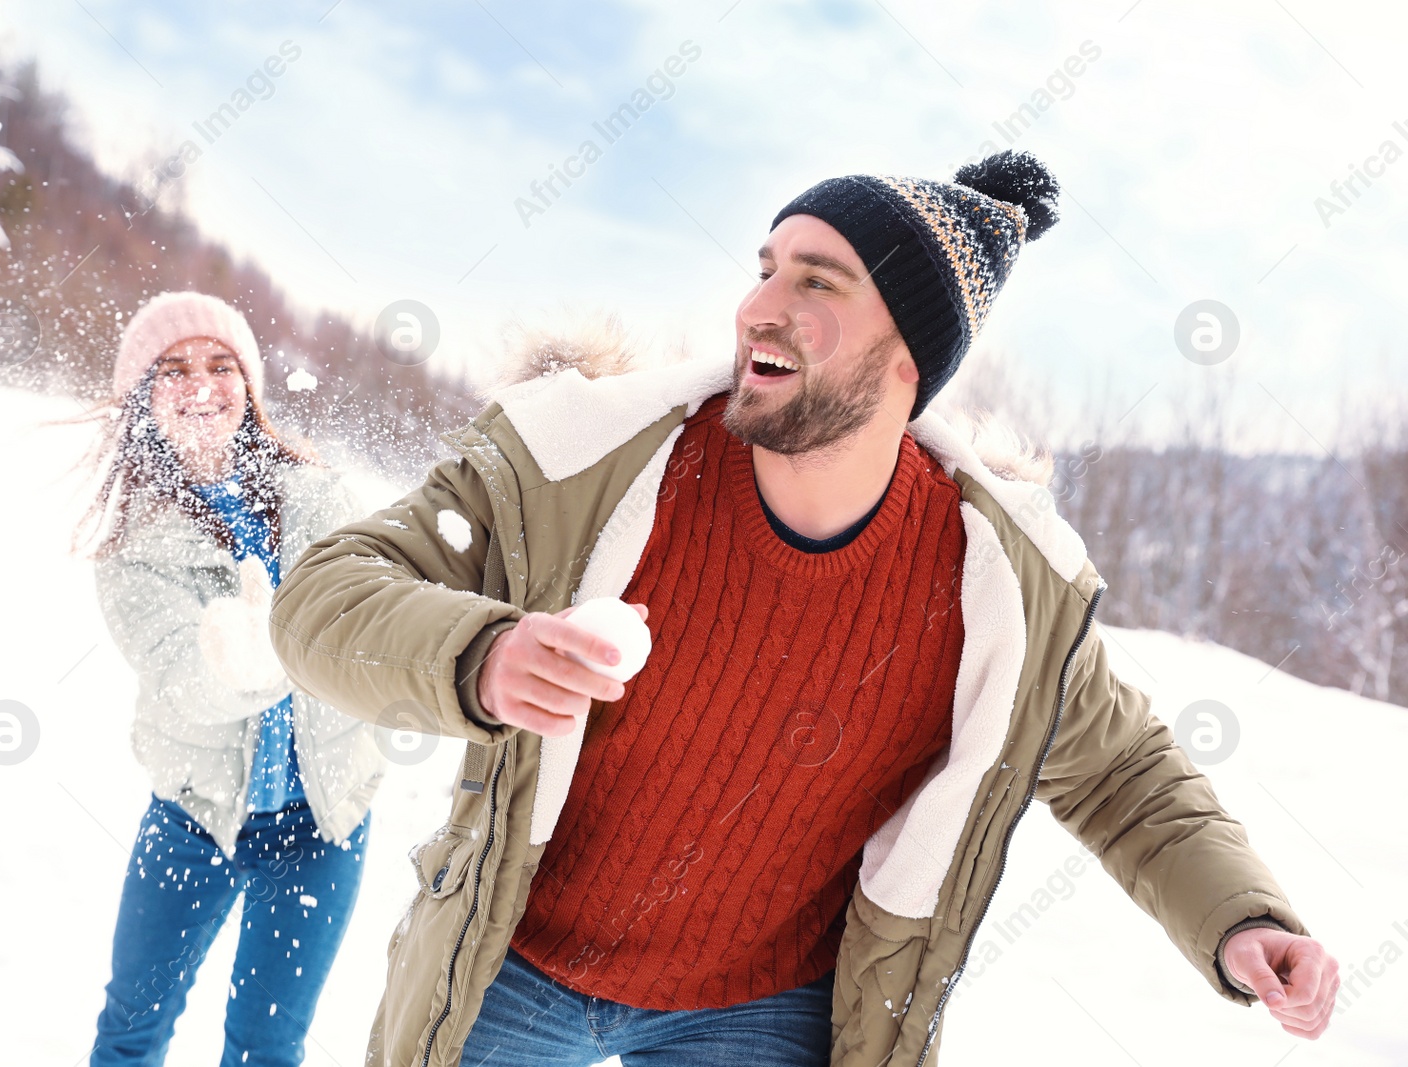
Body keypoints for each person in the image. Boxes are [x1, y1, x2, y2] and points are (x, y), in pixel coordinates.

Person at [267, 152, 1340, 1067]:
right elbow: (323, 597)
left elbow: (1121, 770)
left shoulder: (998, 592)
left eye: (817, 281)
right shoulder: (574, 470)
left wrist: (1238, 914)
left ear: (908, 358)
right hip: (510, 956)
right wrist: (479, 649)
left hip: (755, 1005)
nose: (758, 306)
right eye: (766, 267)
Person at [80, 291, 385, 1066]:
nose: (202, 385)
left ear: (249, 385)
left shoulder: (319, 496)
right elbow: (181, 678)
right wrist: (241, 664)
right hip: (195, 817)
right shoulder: (134, 548)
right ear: (143, 398)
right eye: (173, 369)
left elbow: (375, 620)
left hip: (322, 821)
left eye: (221, 365)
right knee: (130, 1029)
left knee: (267, 1047)